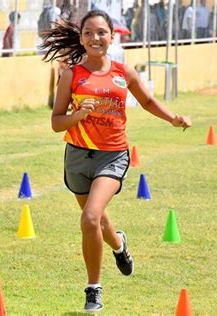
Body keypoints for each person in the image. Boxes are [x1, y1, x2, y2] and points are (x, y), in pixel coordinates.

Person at [39, 10, 191, 313]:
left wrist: (173, 118)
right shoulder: (71, 74)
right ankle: (119, 244)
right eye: (89, 33)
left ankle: (93, 289)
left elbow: (147, 101)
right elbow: (56, 122)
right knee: (99, 221)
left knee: (90, 218)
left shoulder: (124, 72)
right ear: (81, 38)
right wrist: (78, 115)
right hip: (78, 157)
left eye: (101, 32)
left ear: (112, 35)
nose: (95, 38)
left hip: (113, 155)